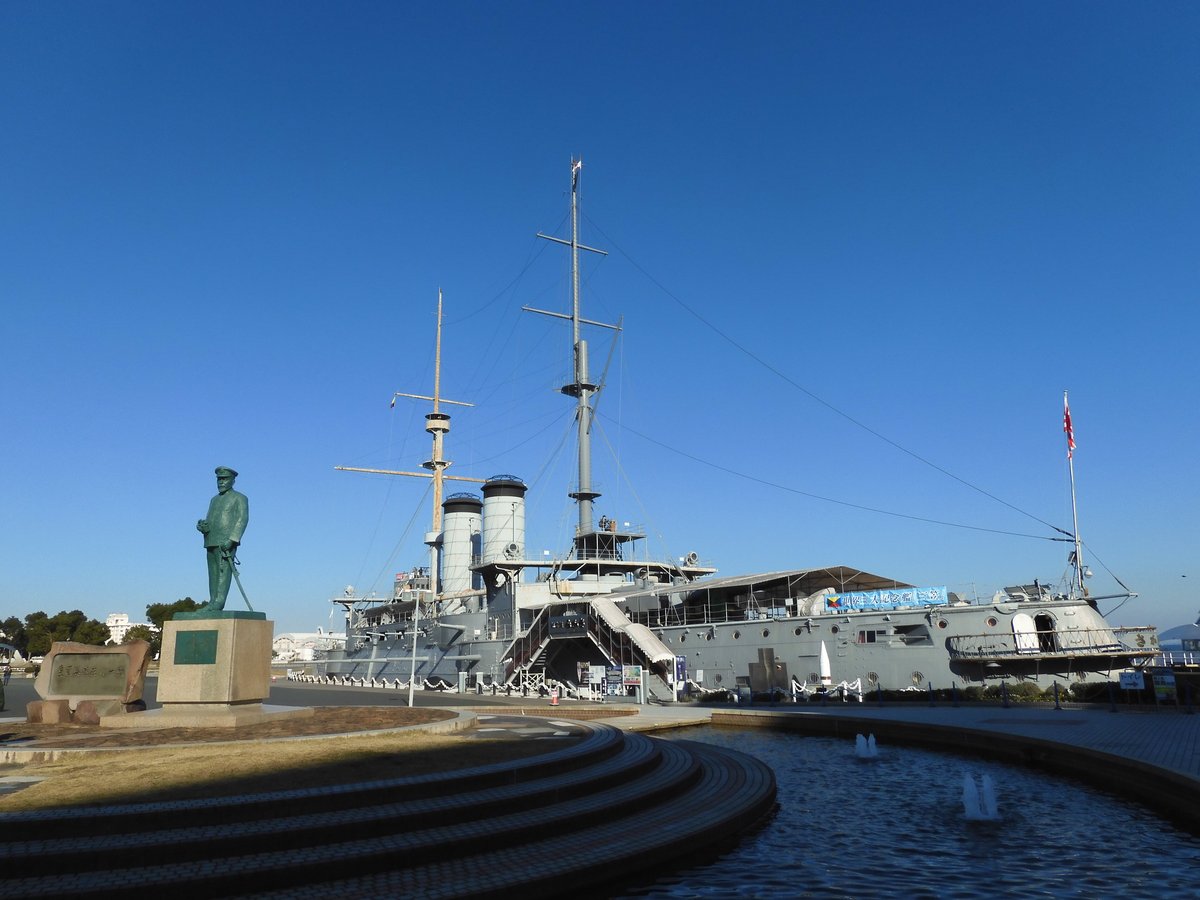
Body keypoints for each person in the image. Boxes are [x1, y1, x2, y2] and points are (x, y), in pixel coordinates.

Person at [195, 466, 249, 612]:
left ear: (233, 480)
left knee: (223, 572)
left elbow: (242, 519)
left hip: (226, 543)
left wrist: (232, 539)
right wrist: (204, 527)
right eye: (219, 479)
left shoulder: (240, 498)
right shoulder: (214, 500)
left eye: (224, 479)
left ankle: (219, 602)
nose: (221, 482)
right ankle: (212, 601)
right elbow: (211, 519)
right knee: (212, 573)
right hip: (211, 540)